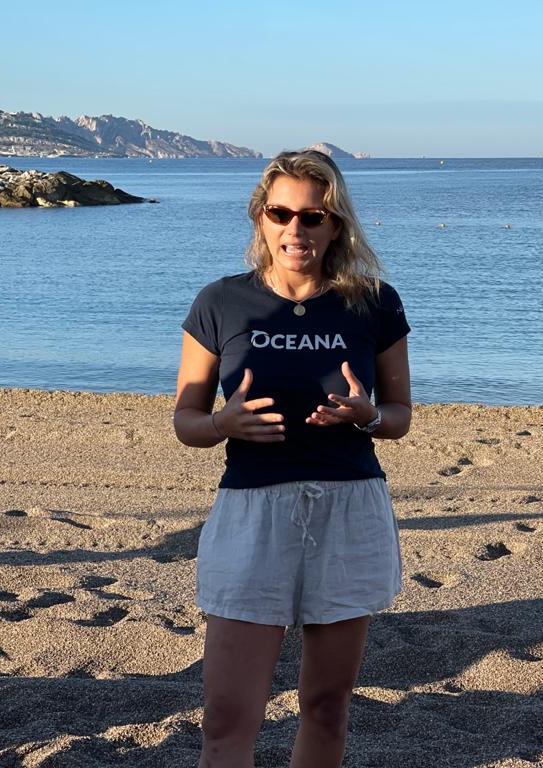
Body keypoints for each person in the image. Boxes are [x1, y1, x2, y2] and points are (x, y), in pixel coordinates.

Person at [173, 149, 411, 768]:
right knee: (228, 715)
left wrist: (368, 417)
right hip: (252, 511)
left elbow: (400, 417)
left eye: (314, 217)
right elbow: (186, 421)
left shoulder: (375, 302)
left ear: (337, 225)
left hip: (348, 507)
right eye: (281, 213)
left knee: (327, 704)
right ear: (260, 217)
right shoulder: (220, 303)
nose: (295, 230)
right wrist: (222, 423)